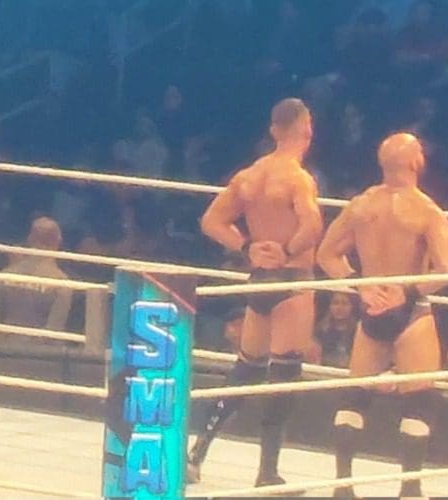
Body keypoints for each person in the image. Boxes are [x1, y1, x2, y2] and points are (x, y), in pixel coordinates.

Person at [191, 98, 323, 487]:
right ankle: (267, 473)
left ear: (273, 130)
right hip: (292, 278)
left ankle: (197, 453)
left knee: (246, 368)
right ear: (306, 129)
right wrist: (288, 250)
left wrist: (247, 247)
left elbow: (211, 220)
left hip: (260, 279)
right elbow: (313, 226)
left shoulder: (249, 176)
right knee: (283, 375)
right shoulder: (299, 178)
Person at [317, 132, 448, 498]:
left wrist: (361, 286)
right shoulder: (426, 210)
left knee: (355, 397)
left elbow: (326, 254)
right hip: (410, 309)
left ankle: (342, 487)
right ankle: (410, 490)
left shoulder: (361, 205)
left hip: (371, 305)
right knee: (420, 398)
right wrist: (406, 291)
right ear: (415, 162)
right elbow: (446, 269)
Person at [0, 216, 73, 331]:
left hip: (5, 339)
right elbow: (55, 328)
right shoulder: (62, 283)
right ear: (58, 241)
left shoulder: (7, 274)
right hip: (38, 342)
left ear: (30, 239)